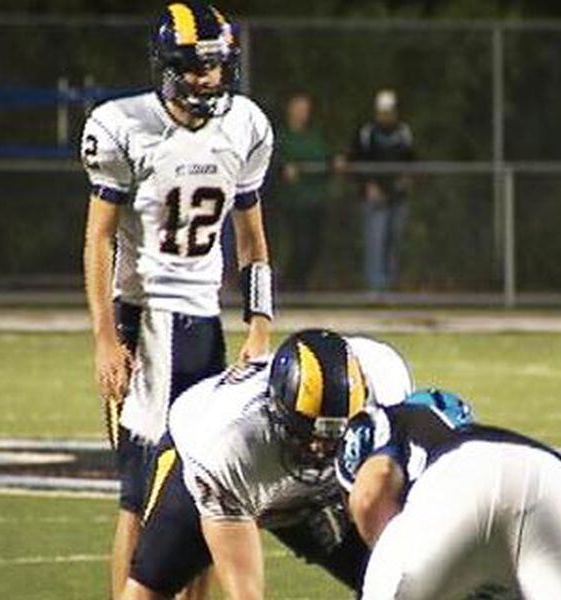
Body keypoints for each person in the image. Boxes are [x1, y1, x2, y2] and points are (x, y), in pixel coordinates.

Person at [78, 2, 275, 596]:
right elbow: (99, 238)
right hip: (146, 325)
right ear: (168, 67)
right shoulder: (123, 125)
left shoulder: (245, 125)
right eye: (195, 65)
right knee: (140, 498)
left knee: (207, 491)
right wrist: (105, 337)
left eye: (216, 65)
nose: (208, 77)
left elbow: (252, 240)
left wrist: (260, 325)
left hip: (205, 327)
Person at [118, 329, 414, 600]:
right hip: (220, 474)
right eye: (308, 436)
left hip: (320, 491)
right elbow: (245, 593)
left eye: (334, 439)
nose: (320, 450)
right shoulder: (227, 443)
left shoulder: (386, 386)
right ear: (277, 410)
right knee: (149, 589)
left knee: (406, 580)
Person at [340, 391, 561, 599]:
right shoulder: (470, 436)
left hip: (460, 478)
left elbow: (368, 496)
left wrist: (385, 558)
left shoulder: (392, 422)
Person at [350, 89, 415, 294]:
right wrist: (369, 185)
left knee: (394, 241)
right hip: (374, 197)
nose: (386, 116)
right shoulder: (367, 132)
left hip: (398, 196)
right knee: (375, 241)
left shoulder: (403, 132)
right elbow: (357, 161)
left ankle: (391, 285)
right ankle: (375, 288)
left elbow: (411, 160)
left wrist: (406, 179)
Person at [275, 93, 338, 290]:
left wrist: (335, 161)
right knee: (300, 243)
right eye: (299, 109)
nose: (303, 113)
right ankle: (289, 282)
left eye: (306, 110)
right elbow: (275, 160)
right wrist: (285, 167)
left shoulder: (314, 136)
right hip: (294, 200)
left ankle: (300, 283)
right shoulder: (282, 137)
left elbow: (326, 156)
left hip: (316, 199)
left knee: (315, 245)